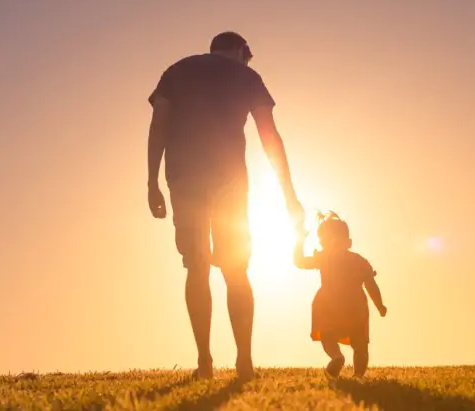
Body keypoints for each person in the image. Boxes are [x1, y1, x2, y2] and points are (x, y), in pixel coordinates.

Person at [146, 31, 304, 380]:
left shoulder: (176, 71)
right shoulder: (247, 76)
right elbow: (270, 137)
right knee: (236, 270)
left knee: (196, 267)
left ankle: (204, 362)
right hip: (229, 181)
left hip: (184, 179)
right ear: (239, 52)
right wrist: (288, 193)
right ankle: (244, 361)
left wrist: (151, 182)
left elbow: (158, 125)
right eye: (247, 57)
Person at [293, 211, 387, 378]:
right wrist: (379, 305)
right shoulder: (359, 261)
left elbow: (299, 262)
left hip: (329, 305)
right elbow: (371, 285)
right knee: (360, 344)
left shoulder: (324, 258)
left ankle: (336, 356)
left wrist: (299, 239)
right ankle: (358, 375)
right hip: (355, 307)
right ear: (349, 242)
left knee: (328, 336)